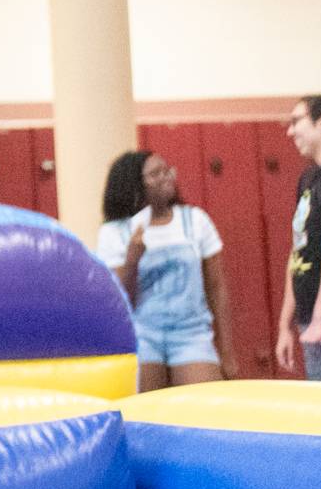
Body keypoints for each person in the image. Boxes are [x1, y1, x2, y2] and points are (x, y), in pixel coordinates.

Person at [95, 149, 229, 391]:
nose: (166, 177)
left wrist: (227, 353)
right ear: (135, 184)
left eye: (167, 170)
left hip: (192, 333)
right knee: (147, 416)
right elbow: (118, 299)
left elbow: (216, 287)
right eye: (155, 174)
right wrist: (132, 260)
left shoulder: (195, 220)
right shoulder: (115, 232)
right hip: (141, 334)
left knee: (206, 410)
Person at [281, 95, 321, 384]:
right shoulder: (309, 178)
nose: (290, 131)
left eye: (297, 121)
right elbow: (299, 251)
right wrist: (285, 324)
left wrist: (320, 318)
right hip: (316, 320)